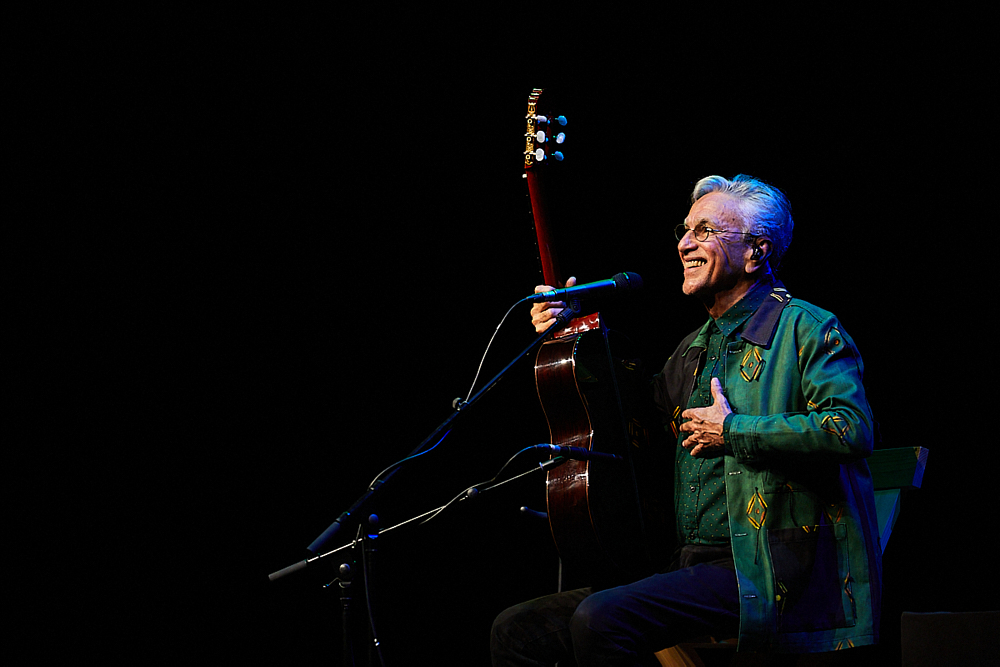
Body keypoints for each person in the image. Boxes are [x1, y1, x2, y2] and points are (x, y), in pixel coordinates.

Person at [491, 175, 881, 666]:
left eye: (705, 231)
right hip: (692, 564)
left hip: (772, 569)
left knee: (602, 619)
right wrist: (576, 334)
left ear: (756, 252)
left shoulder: (807, 328)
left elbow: (852, 428)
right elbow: (634, 423)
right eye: (685, 229)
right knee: (518, 629)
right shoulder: (694, 348)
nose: (684, 243)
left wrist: (734, 431)